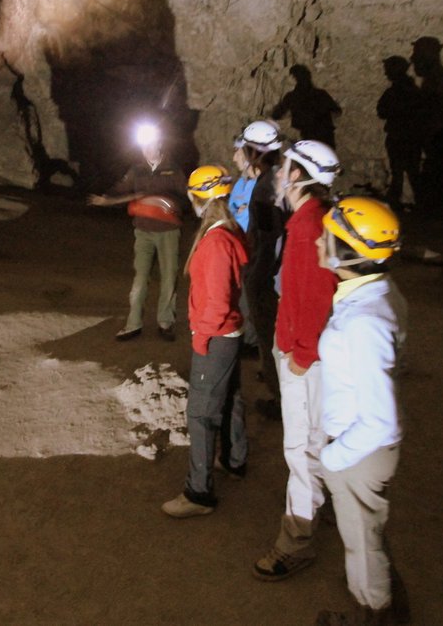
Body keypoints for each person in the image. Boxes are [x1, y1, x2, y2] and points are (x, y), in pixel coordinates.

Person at [311, 197, 411, 626]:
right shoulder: (373, 292)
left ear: (347, 252)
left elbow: (379, 419)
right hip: (359, 446)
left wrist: (331, 459)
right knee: (365, 537)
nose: (318, 240)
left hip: (358, 451)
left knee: (363, 546)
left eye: (327, 235)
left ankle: (376, 614)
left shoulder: (364, 321)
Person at [252, 140, 340, 581]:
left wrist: (300, 356)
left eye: (285, 166)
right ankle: (317, 508)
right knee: (314, 444)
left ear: (300, 176)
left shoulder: (307, 228)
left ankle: (297, 542)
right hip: (299, 345)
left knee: (302, 449)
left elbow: (317, 298)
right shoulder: (307, 219)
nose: (278, 173)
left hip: (304, 355)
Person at [162, 165, 249, 518]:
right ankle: (234, 459)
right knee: (230, 398)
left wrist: (201, 341)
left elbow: (216, 301)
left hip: (216, 337)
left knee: (200, 413)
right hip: (230, 334)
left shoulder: (214, 242)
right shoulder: (230, 231)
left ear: (198, 198)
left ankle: (198, 493)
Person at [87, 121, 186, 341]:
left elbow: (185, 196)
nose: (146, 149)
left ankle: (165, 321)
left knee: (169, 277)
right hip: (143, 231)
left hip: (168, 230)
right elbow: (122, 188)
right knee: (140, 278)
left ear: (160, 144)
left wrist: (170, 205)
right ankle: (134, 324)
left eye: (150, 144)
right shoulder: (137, 169)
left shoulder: (173, 168)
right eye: (143, 145)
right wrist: (107, 198)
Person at [230, 120, 285, 415]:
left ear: (253, 151)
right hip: (281, 273)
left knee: (267, 333)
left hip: (267, 274)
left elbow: (267, 239)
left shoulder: (263, 190)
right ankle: (276, 379)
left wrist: (255, 278)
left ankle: (279, 397)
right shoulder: (280, 178)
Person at [411, 37, 443, 215]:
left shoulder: (437, 78)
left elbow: (440, 108)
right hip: (439, 134)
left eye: (417, 54)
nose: (413, 59)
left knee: (439, 173)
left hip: (439, 135)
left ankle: (441, 211)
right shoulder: (434, 77)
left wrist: (432, 133)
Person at [376, 56, 424, 212]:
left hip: (399, 137)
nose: (386, 74)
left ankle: (396, 206)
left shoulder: (394, 92)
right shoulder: (413, 90)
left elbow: (381, 111)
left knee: (399, 173)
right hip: (411, 137)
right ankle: (421, 205)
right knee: (412, 172)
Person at [271, 65, 343, 148]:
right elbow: (337, 111)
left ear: (294, 79)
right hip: (326, 139)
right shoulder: (321, 94)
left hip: (307, 138)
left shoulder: (292, 97)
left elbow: (276, 114)